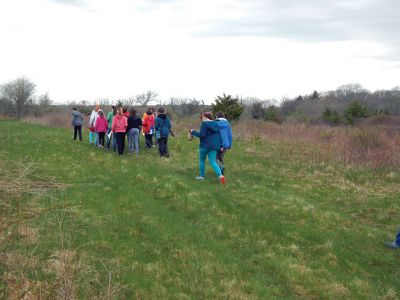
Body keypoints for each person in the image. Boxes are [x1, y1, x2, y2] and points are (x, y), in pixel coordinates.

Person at [190, 112, 225, 184]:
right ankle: (221, 176)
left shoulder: (204, 124)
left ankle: (202, 176)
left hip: (204, 146)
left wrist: (193, 132)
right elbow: (219, 136)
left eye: (202, 116)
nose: (201, 118)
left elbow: (202, 135)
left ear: (205, 117)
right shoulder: (216, 124)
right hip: (214, 146)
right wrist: (220, 145)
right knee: (213, 162)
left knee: (202, 160)